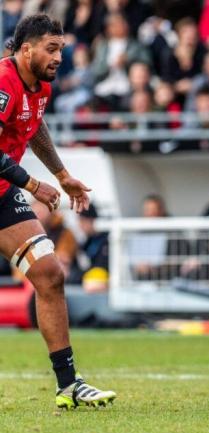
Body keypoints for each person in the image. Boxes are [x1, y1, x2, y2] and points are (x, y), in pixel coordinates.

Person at [0, 14, 115, 408]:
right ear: (25, 50)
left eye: (61, 49)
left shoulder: (40, 86)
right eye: (51, 48)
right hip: (11, 186)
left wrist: (62, 174)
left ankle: (68, 385)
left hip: (1, 195)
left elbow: (35, 126)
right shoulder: (3, 81)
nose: (58, 57)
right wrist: (32, 184)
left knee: (50, 274)